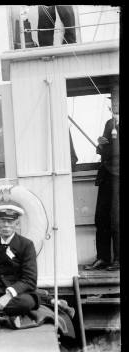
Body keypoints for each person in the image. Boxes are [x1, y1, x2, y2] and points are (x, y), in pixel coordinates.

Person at [85, 85, 120, 271]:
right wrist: (100, 145)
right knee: (101, 218)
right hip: (106, 175)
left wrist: (107, 147)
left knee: (117, 219)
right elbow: (104, 150)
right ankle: (104, 258)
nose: (114, 106)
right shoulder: (109, 123)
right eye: (113, 102)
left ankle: (118, 260)